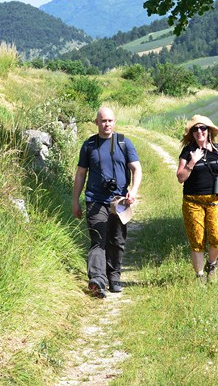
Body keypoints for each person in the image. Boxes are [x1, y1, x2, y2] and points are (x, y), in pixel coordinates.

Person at [72, 106, 142, 298]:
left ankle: (114, 276)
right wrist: (75, 200)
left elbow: (136, 169)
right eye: (103, 121)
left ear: (114, 122)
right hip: (95, 199)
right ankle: (98, 280)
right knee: (98, 240)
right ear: (96, 123)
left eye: (110, 120)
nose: (107, 124)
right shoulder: (89, 145)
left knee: (117, 240)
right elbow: (80, 174)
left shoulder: (124, 143)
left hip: (120, 200)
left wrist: (133, 191)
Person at [176, 115, 218, 283]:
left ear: (209, 131)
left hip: (214, 200)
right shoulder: (187, 151)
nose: (199, 131)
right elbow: (180, 177)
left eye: (203, 128)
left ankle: (211, 264)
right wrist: (192, 162)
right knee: (197, 239)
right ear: (192, 133)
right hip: (193, 201)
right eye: (196, 129)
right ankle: (199, 277)